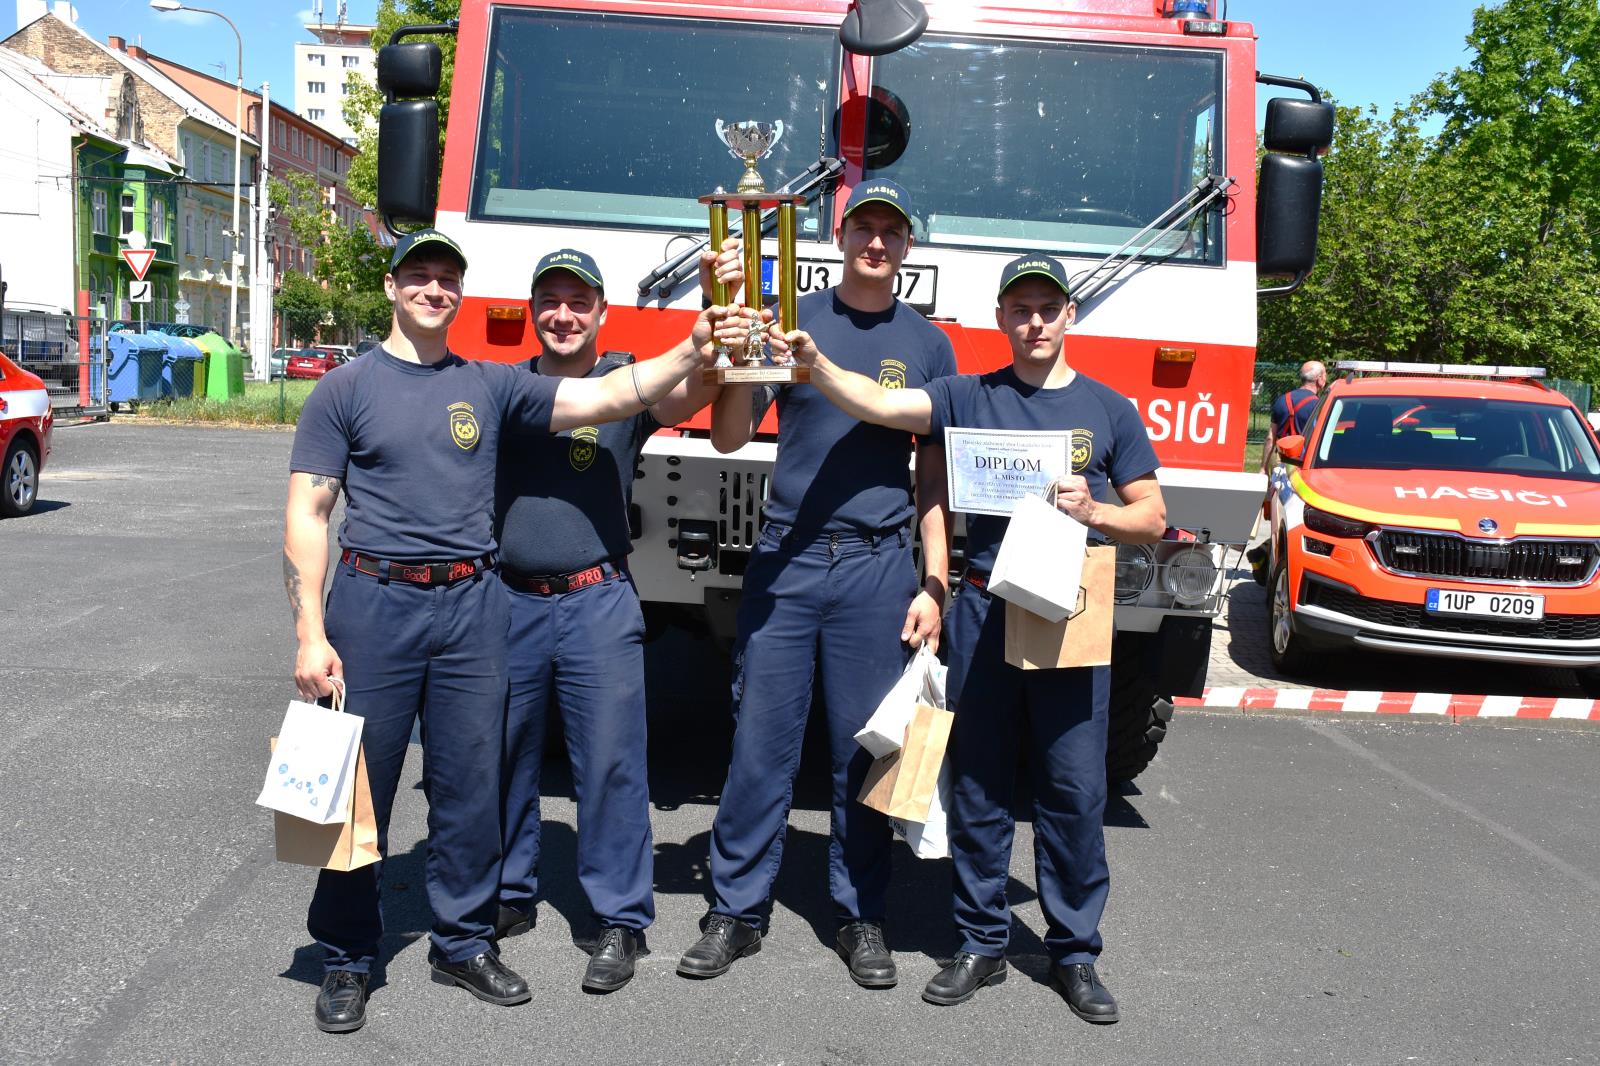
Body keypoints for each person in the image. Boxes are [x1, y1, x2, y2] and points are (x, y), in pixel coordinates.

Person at [283, 228, 739, 1033]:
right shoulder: (343, 389)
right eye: (418, 276)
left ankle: (463, 942)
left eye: (446, 278)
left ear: (462, 293)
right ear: (390, 287)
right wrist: (309, 631)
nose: (433, 289)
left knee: (469, 786)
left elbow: (607, 398)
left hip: (470, 604)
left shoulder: (489, 385)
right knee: (353, 788)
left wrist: (697, 339)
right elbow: (308, 511)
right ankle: (347, 955)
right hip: (374, 603)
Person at [767, 253, 1166, 1022]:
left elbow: (1151, 516)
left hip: (1069, 609)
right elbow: (880, 404)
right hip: (983, 606)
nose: (1035, 322)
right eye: (1021, 309)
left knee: (1073, 788)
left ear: (1070, 314)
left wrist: (1096, 512)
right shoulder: (965, 397)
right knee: (979, 784)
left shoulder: (1109, 409)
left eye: (1048, 308)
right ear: (1001, 318)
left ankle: (1074, 953)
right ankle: (981, 942)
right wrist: (815, 365)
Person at [678, 179, 956, 989]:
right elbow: (730, 438)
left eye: (891, 231)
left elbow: (932, 479)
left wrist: (934, 583)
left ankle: (860, 912)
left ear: (907, 247)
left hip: (876, 565)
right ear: (839, 236)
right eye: (863, 227)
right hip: (789, 558)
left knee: (865, 751)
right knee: (760, 745)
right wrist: (734, 358)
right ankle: (735, 910)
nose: (876, 242)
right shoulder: (789, 320)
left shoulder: (929, 345)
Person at [494, 245, 736, 993]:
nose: (563, 315)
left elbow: (695, 390)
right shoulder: (503, 386)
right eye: (550, 301)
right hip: (509, 599)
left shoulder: (629, 382)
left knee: (610, 764)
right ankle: (507, 894)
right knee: (503, 756)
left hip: (596, 600)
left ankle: (620, 920)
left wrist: (719, 308)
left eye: (579, 302)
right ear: (533, 310)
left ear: (602, 312)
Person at [1261, 360, 1326, 473]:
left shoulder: (1282, 400)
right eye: (1325, 374)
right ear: (1319, 379)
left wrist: (1263, 468)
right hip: (1304, 463)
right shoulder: (1319, 406)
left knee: (1277, 484)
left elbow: (1270, 438)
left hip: (1281, 460)